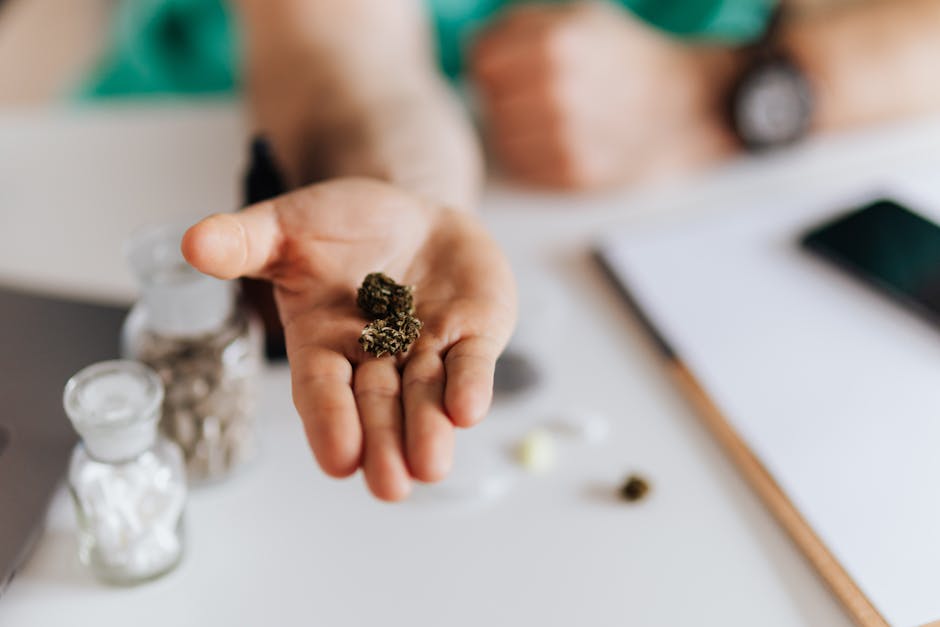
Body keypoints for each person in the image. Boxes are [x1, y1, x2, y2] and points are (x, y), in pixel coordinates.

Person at [7, 0, 940, 500]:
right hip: (162, 131)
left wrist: (724, 95)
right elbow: (343, 54)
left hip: (752, 175)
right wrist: (407, 191)